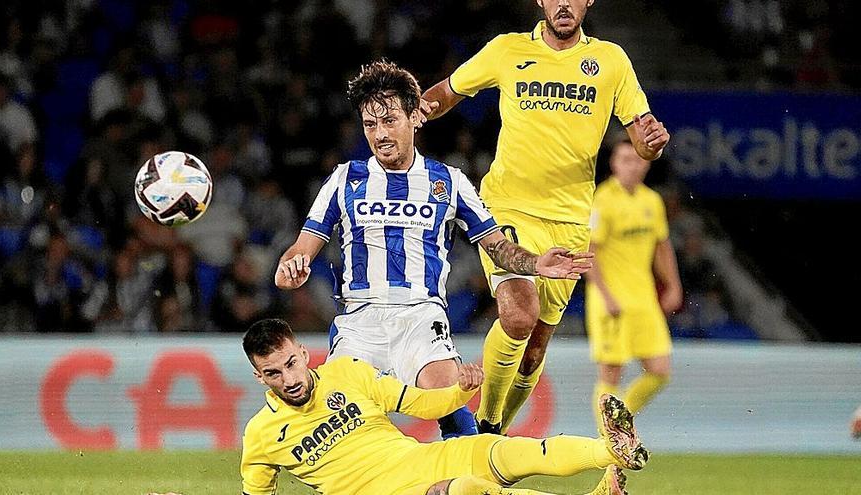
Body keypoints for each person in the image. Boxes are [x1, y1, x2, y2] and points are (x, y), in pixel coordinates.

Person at [275, 60, 593, 439]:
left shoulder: (449, 181)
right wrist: (290, 268)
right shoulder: (346, 178)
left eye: (389, 120)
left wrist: (535, 264)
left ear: (414, 116)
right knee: (337, 432)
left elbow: (497, 247)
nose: (380, 134)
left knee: (451, 404)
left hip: (421, 320)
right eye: (370, 125)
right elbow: (300, 249)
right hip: (360, 321)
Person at [420, 0, 671, 435]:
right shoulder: (507, 50)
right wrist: (414, 114)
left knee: (535, 349)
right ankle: (487, 425)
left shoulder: (610, 61)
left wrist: (652, 143)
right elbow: (447, 92)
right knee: (519, 315)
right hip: (507, 206)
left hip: (571, 220)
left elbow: (643, 138)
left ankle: (494, 429)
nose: (563, 4)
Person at [240, 318, 646, 495]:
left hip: (419, 462)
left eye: (291, 363)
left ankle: (612, 451)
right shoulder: (261, 436)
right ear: (260, 378)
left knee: (501, 449)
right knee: (466, 490)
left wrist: (458, 393)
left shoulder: (346, 372)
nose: (289, 380)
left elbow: (419, 403)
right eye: (273, 374)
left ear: (302, 352)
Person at [584, 139, 682, 427]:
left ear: (647, 164)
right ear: (614, 163)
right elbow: (590, 253)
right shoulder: (601, 200)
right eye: (625, 159)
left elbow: (662, 247)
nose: (631, 165)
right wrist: (605, 295)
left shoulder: (651, 200)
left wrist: (674, 285)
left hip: (643, 298)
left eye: (637, 159)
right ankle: (609, 442)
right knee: (611, 372)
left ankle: (618, 420)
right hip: (610, 299)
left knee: (660, 370)